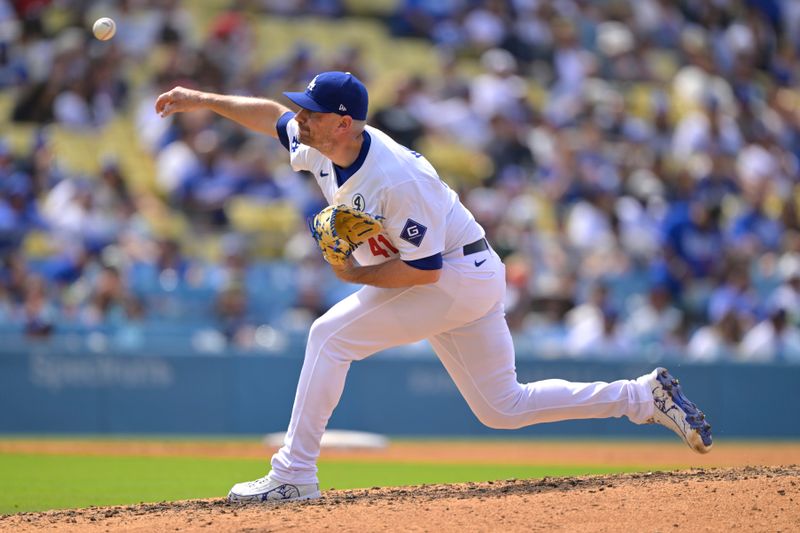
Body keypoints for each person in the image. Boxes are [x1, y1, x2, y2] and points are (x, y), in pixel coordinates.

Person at [155, 71, 713, 503]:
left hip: (454, 276)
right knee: (503, 407)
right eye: (304, 109)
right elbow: (270, 116)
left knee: (329, 336)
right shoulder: (320, 144)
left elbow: (424, 274)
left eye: (313, 112)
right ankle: (643, 396)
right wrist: (203, 100)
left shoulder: (397, 178)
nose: (300, 117)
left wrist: (354, 274)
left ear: (343, 122)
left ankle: (294, 474)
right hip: (465, 275)